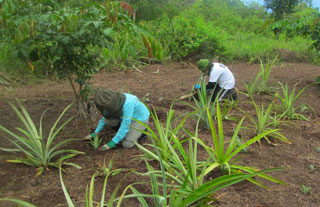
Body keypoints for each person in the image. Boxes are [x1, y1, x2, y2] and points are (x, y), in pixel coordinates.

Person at [84, 89, 150, 151]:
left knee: (127, 144)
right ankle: (122, 134)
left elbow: (125, 124)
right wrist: (95, 133)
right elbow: (105, 118)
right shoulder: (112, 101)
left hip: (139, 119)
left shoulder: (128, 103)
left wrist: (113, 142)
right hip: (125, 117)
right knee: (109, 121)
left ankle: (142, 132)